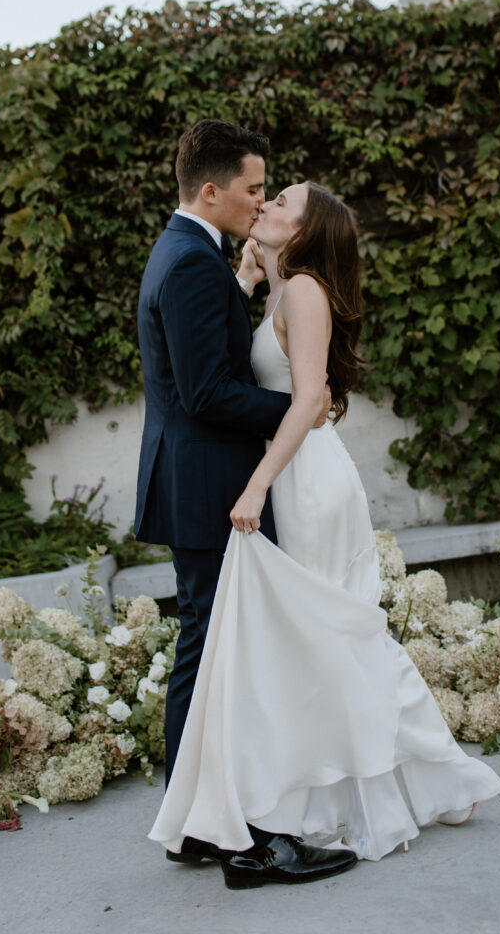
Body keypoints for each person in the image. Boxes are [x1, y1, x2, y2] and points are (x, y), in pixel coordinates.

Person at [148, 179, 500, 889]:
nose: (267, 207)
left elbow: (310, 397)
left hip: (306, 483)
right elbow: (274, 365)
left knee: (335, 634)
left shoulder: (307, 289)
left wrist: (254, 487)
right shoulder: (284, 286)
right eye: (269, 196)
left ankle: (435, 773)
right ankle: (368, 783)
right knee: (318, 640)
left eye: (282, 203)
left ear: (307, 233)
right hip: (289, 472)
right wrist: (248, 279)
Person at [135, 120, 354, 886]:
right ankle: (245, 841)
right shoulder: (193, 262)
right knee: (219, 659)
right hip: (207, 484)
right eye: (255, 188)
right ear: (212, 190)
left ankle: (198, 826)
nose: (260, 200)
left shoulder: (188, 254)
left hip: (191, 479)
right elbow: (208, 393)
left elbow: (208, 354)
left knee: (207, 650)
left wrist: (244, 287)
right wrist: (300, 408)